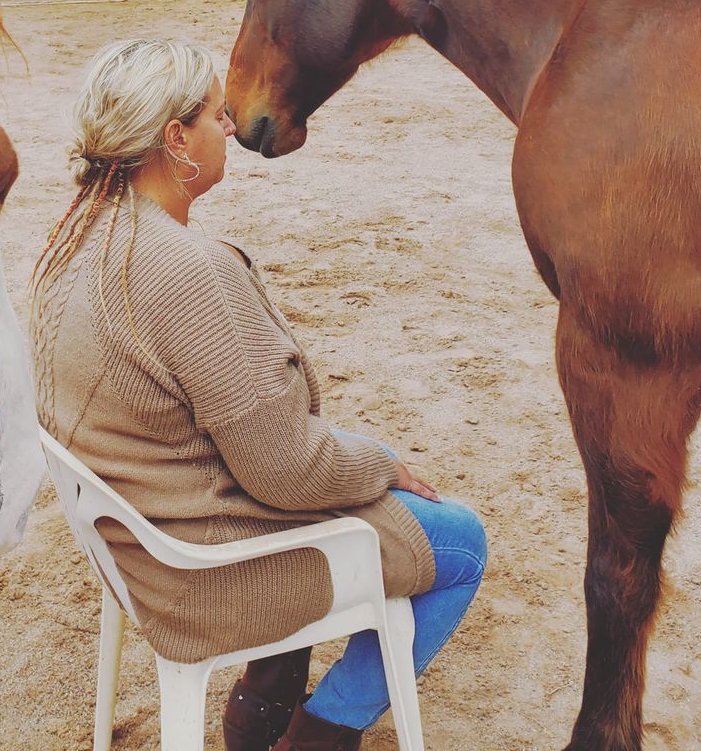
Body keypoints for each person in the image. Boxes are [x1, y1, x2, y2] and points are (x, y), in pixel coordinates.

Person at [31, 37, 486, 751]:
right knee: (460, 542)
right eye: (216, 115)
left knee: (327, 478)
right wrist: (382, 464)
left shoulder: (74, 239)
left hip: (140, 541)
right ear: (176, 139)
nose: (233, 128)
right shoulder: (184, 271)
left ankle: (262, 701)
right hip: (199, 572)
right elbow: (286, 471)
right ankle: (319, 736)